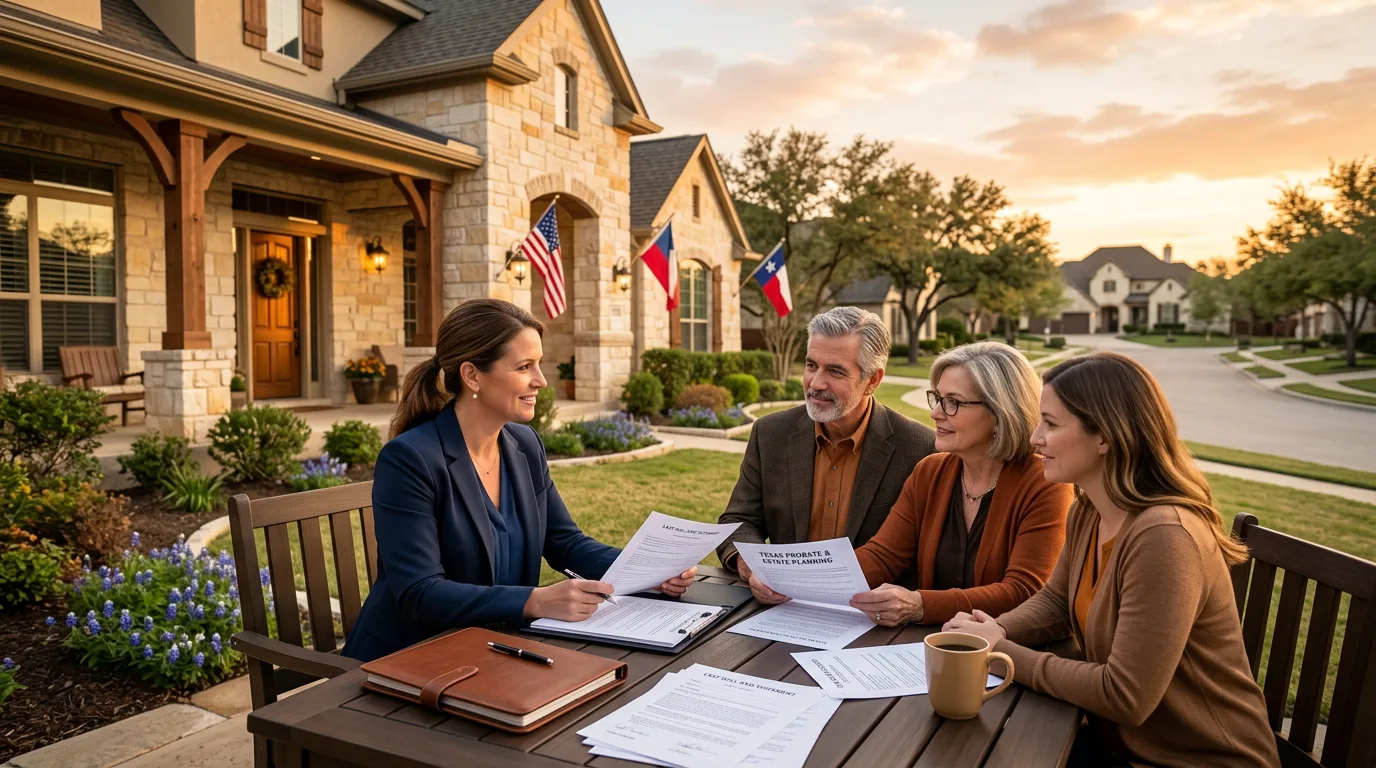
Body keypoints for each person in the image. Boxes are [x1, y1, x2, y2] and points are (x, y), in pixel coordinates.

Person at [944, 352, 1279, 768]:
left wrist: (1002, 653)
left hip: (1199, 760)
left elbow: (1124, 695)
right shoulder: (1089, 510)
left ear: (1104, 436)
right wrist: (993, 630)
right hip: (1122, 747)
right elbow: (1056, 601)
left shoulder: (1165, 536)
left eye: (1050, 424)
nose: (1034, 438)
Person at [342, 299, 694, 662]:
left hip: (495, 650)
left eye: (538, 364)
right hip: (409, 658)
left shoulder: (524, 445)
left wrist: (649, 571)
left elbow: (565, 542)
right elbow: (420, 593)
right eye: (524, 367)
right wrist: (534, 601)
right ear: (472, 376)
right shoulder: (410, 459)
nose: (541, 380)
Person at [828, 342, 1073, 627]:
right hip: (930, 643)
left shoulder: (1045, 483)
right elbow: (882, 556)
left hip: (1005, 648)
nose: (936, 413)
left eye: (953, 402)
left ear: (999, 413)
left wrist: (921, 605)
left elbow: (1024, 591)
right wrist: (801, 580)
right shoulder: (930, 472)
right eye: (937, 398)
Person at [716, 306, 936, 588]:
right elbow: (738, 521)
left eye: (835, 371)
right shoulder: (770, 433)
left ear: (872, 380)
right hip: (781, 604)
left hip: (871, 608)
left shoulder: (920, 448)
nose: (816, 383)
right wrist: (752, 566)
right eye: (811, 365)